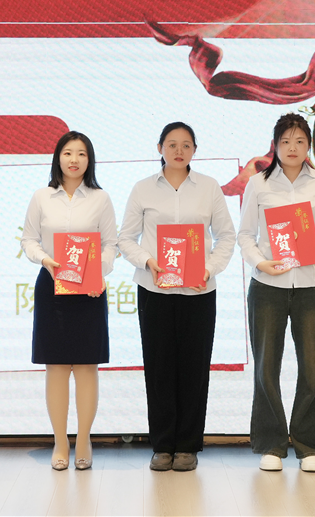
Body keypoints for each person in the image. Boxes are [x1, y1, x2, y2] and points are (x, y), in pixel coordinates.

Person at [118, 122, 236, 472]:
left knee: (194, 368)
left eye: (186, 145)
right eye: (172, 144)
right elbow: (125, 238)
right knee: (159, 367)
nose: (179, 151)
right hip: (154, 289)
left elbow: (226, 236)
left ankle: (187, 445)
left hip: (198, 290)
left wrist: (208, 268)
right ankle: (162, 445)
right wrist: (148, 261)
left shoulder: (209, 187)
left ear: (194, 150)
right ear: (160, 148)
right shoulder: (143, 188)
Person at [237, 113, 315, 473]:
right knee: (266, 368)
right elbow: (245, 235)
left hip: (312, 286)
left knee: (313, 369)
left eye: (300, 141)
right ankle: (271, 444)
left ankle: (310, 446)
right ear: (275, 145)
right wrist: (261, 263)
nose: (292, 147)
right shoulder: (258, 184)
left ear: (309, 146)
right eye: (285, 141)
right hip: (267, 286)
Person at [21, 131, 117, 471]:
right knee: (57, 367)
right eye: (67, 153)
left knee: (87, 366)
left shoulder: (100, 198)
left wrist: (99, 273)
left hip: (89, 290)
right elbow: (29, 240)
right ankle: (60, 441)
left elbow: (111, 244)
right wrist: (45, 259)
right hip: (52, 286)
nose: (74, 159)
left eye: (81, 153)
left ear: (89, 160)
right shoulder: (42, 196)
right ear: (57, 158)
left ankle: (85, 438)